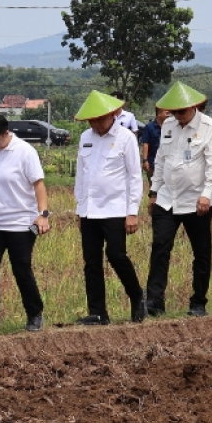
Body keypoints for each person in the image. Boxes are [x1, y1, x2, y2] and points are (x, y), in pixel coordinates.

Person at [145, 81, 212, 318]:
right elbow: (160, 160)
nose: (177, 116)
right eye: (174, 111)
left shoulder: (210, 127)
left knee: (201, 252)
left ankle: (198, 301)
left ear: (194, 107)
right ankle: (154, 301)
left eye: (182, 111)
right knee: (160, 247)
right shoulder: (168, 125)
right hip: (167, 199)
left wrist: (206, 195)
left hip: (196, 200)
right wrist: (153, 191)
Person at [73, 90, 146, 325]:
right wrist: (79, 209)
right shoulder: (86, 137)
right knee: (91, 261)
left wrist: (132, 212)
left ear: (112, 114)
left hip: (115, 208)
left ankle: (136, 296)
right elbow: (81, 176)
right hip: (89, 210)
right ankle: (98, 312)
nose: (95, 124)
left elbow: (135, 176)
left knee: (116, 255)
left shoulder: (126, 138)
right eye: (91, 120)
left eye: (99, 119)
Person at [0, 113, 49, 332]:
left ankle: (34, 314)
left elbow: (38, 185)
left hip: (21, 223)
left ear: (6, 133)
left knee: (21, 269)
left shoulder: (25, 151)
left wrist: (43, 214)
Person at [138, 107, 168, 181]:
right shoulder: (149, 127)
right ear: (159, 114)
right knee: (153, 187)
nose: (169, 115)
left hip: (167, 162)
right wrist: (145, 160)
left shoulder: (170, 127)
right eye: (166, 113)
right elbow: (145, 144)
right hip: (152, 162)